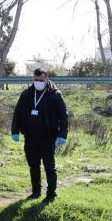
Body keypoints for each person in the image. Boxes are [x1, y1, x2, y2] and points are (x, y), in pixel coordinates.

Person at [11, 68, 68, 202]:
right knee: (34, 166)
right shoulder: (27, 94)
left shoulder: (55, 95)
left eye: (41, 80)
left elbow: (63, 117)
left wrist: (62, 135)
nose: (38, 83)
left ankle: (51, 194)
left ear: (47, 79)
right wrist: (15, 131)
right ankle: (36, 191)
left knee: (49, 167)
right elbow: (18, 113)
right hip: (30, 137)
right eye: (36, 80)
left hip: (48, 137)